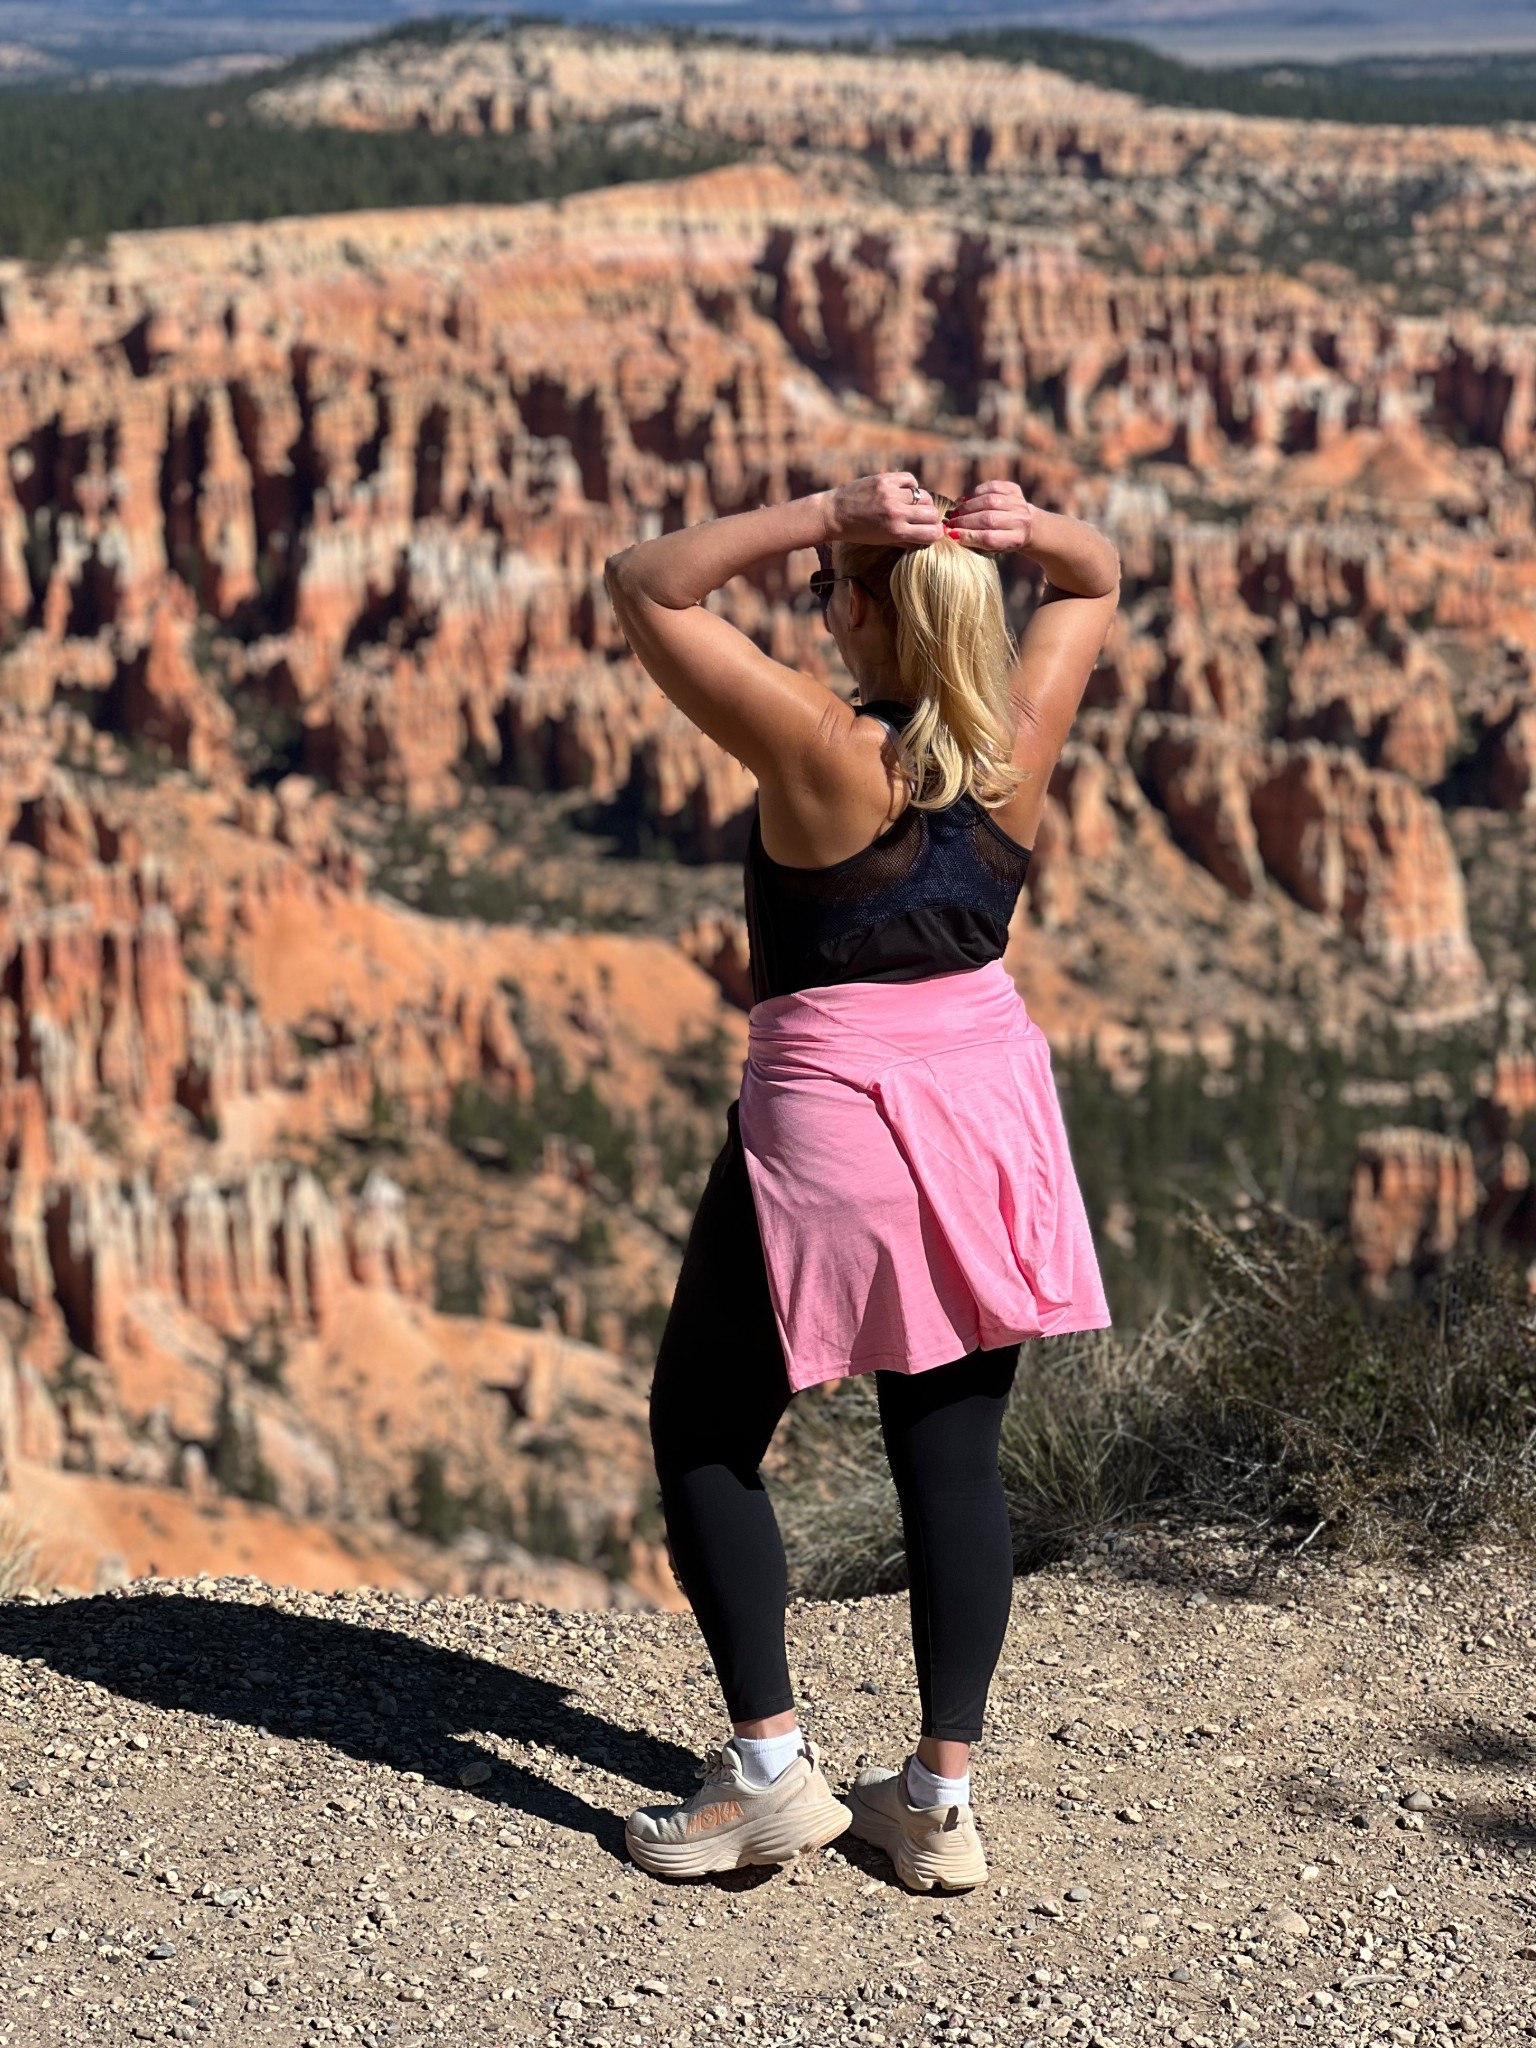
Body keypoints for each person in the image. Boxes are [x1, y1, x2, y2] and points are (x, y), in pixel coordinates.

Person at [604, 472, 1118, 1891]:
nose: (819, 603)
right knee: (949, 1454)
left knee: (707, 1425)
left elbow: (648, 583)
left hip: (837, 1119)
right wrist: (1022, 537)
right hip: (987, 1107)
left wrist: (820, 505)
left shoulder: (826, 751)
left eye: (831, 583)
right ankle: (937, 1804)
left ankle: (769, 1774)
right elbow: (1098, 580)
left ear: (871, 609)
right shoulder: (1017, 735)